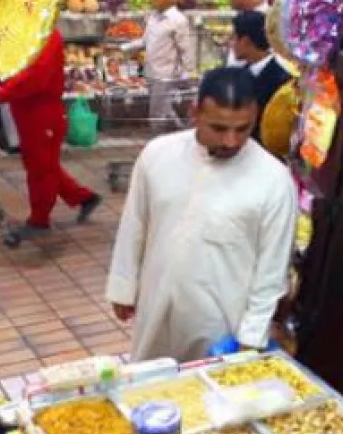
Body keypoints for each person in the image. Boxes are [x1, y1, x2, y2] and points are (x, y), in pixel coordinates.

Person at [107, 68, 295, 362]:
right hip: (156, 302)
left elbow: (272, 268)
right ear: (195, 113)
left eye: (243, 129)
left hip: (220, 322)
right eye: (219, 128)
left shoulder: (273, 178)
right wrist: (123, 286)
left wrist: (252, 336)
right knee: (147, 387)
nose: (231, 141)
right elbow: (135, 225)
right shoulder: (158, 154)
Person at [0, 30, 102, 247]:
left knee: (41, 169)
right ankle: (84, 197)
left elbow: (36, 77)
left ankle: (39, 219)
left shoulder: (46, 36)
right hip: (28, 111)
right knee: (42, 163)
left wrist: (2, 92)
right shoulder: (27, 30)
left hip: (42, 113)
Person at [231, 11, 290, 140]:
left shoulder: (281, 81)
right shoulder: (242, 73)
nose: (230, 43)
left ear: (245, 41)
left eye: (234, 37)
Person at [139, 0, 197, 129]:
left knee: (156, 113)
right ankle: (181, 132)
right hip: (150, 70)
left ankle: (157, 139)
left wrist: (189, 71)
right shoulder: (152, 17)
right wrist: (122, 47)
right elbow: (145, 41)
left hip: (165, 74)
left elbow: (185, 48)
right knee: (164, 107)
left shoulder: (178, 20)